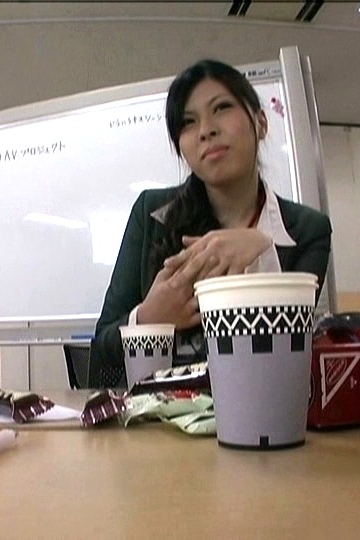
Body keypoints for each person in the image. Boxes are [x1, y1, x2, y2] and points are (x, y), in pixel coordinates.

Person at [91, 59, 332, 384]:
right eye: (188, 122)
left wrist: (264, 246)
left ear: (261, 123)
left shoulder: (307, 230)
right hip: (157, 412)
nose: (206, 130)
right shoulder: (152, 214)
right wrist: (149, 319)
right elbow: (101, 351)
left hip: (260, 407)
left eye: (222, 108)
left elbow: (288, 355)